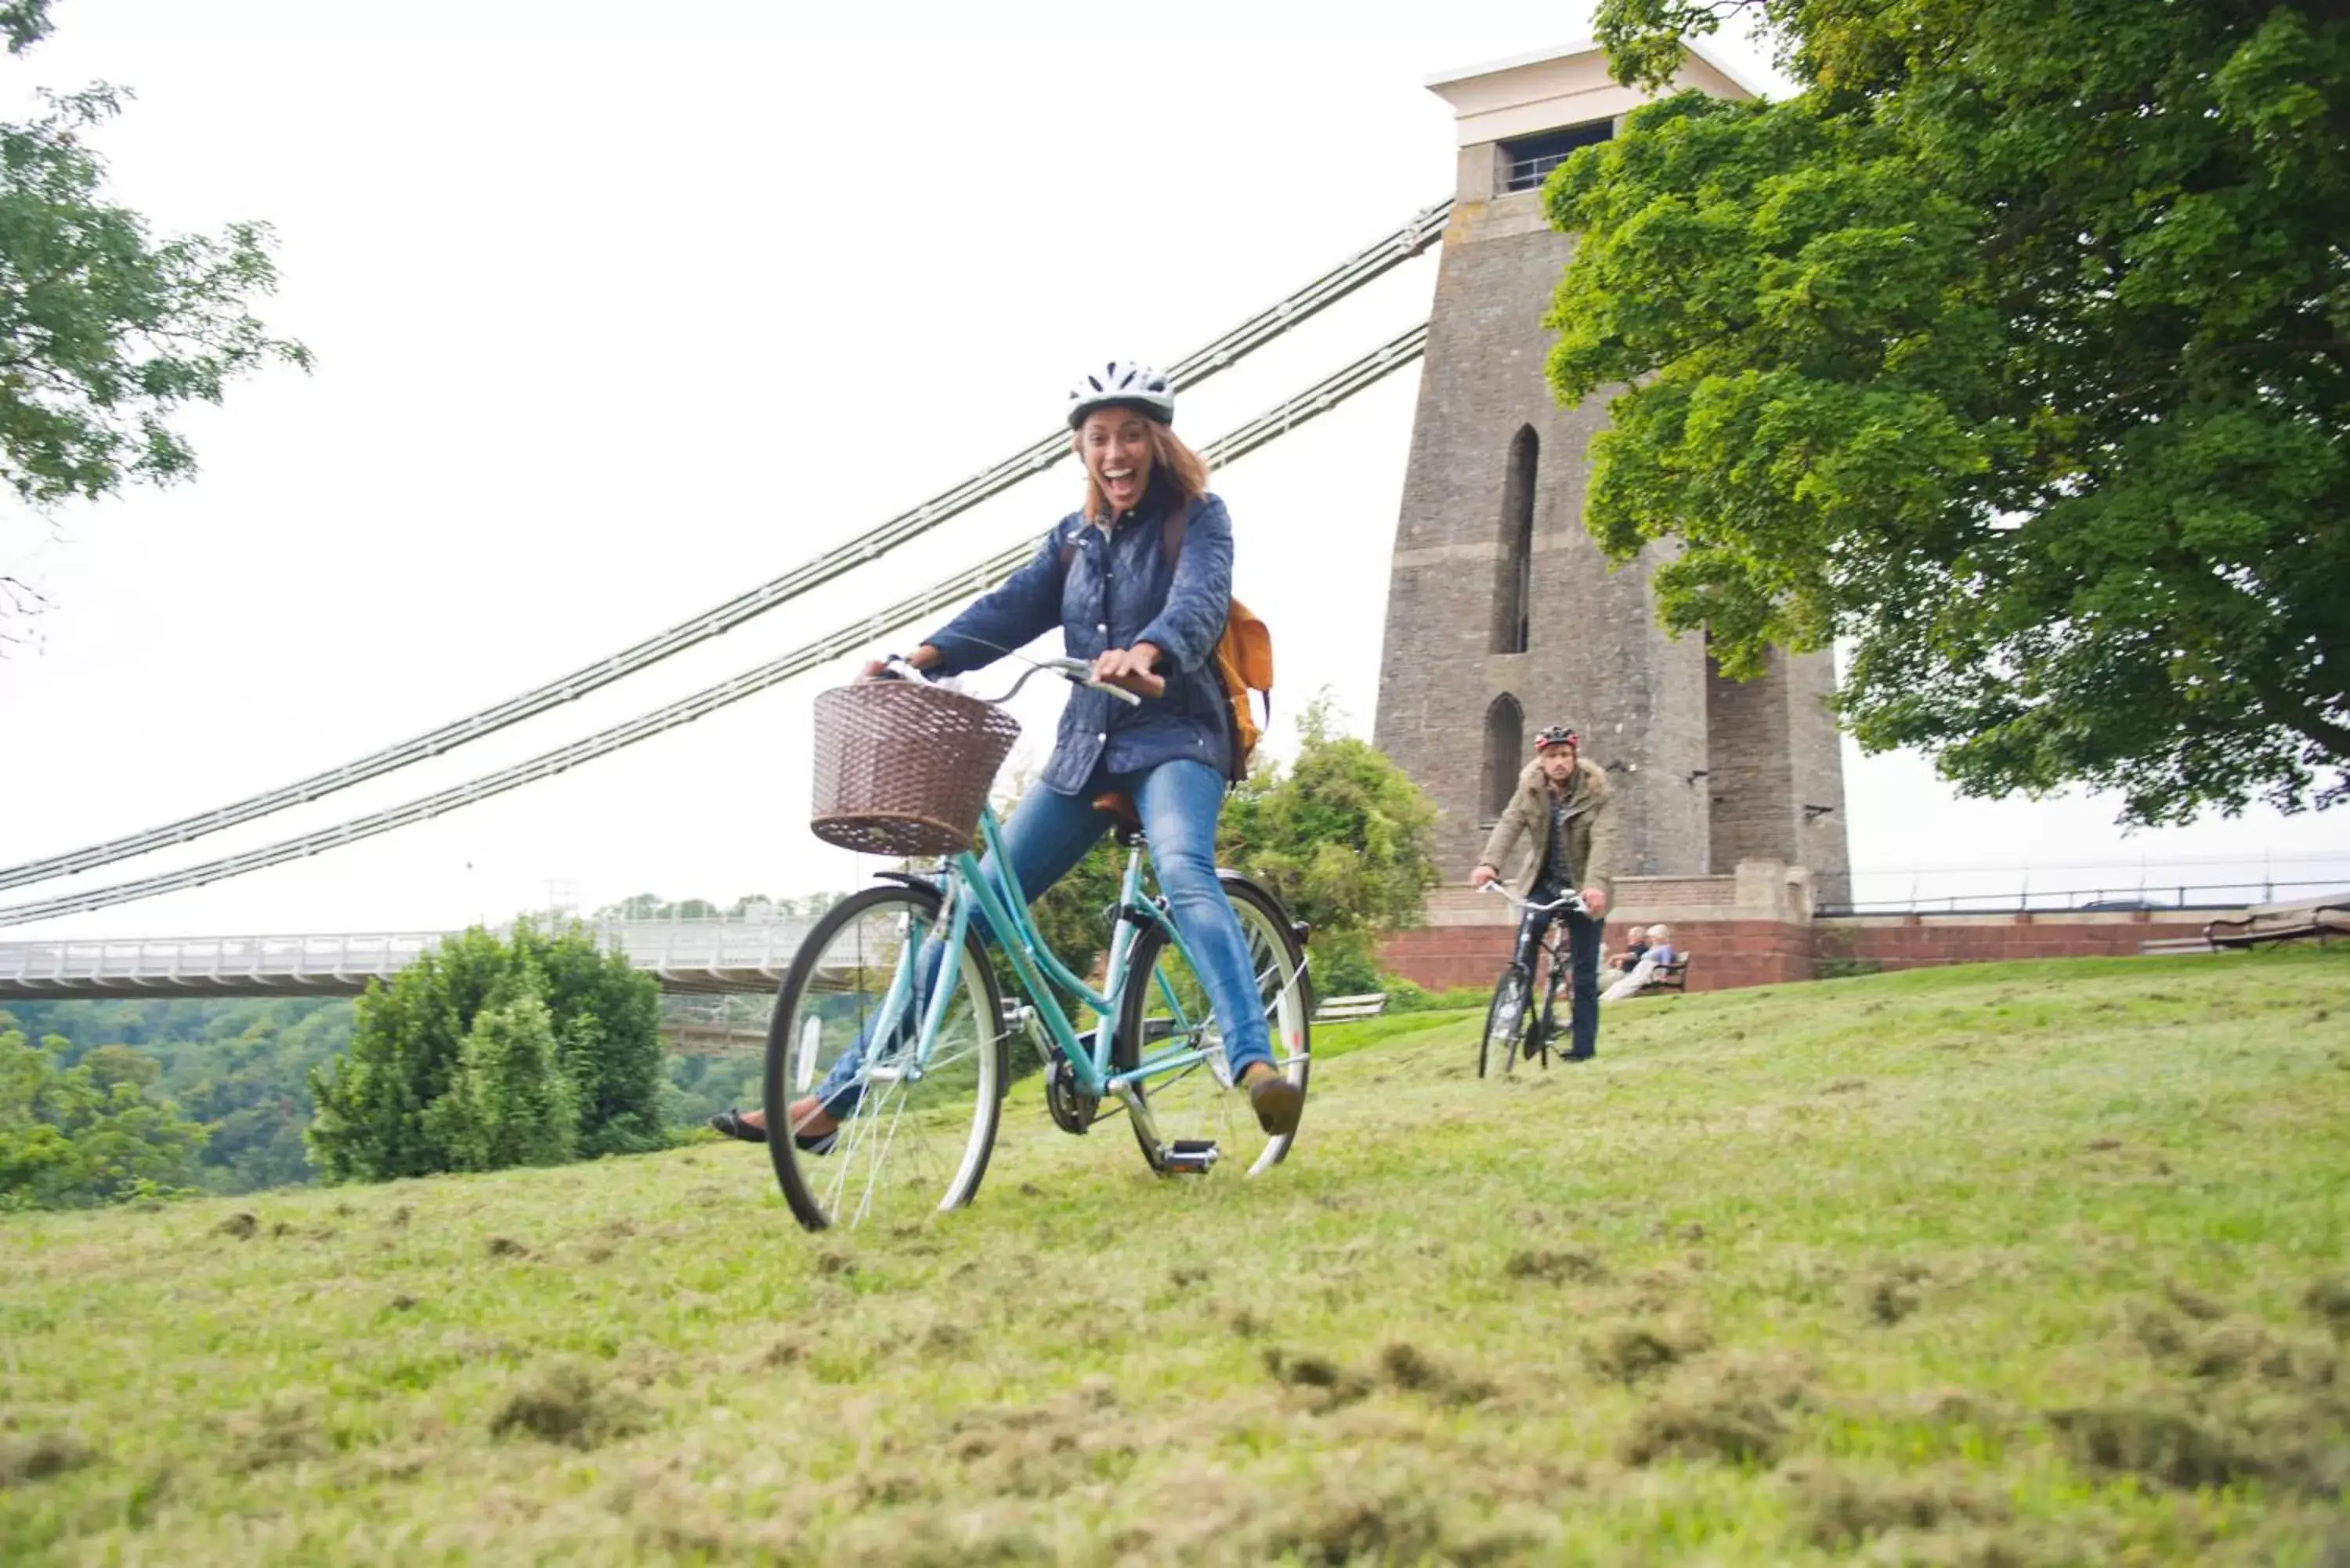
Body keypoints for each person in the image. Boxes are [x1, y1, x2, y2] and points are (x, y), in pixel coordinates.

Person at [713, 360, 1302, 1149]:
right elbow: (1009, 609)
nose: (1116, 453)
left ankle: (1255, 1062)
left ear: (1158, 442)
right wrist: (922, 656)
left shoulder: (1198, 517)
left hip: (1175, 737)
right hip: (1086, 751)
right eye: (1099, 439)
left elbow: (1198, 601)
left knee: (1183, 868)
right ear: (1081, 451)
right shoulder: (1074, 540)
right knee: (970, 911)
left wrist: (1151, 649)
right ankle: (831, 1105)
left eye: (1131, 435)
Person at [1467, 724, 1618, 1061]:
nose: (1559, 762)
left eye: (1565, 755)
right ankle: (1514, 1010)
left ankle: (1582, 1049)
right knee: (1527, 939)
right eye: (1552, 756)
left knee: (1582, 972)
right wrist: (1489, 863)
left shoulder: (1597, 793)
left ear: (1575, 757)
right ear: (1542, 761)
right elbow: (1508, 824)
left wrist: (1595, 886)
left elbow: (1605, 841)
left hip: (1583, 886)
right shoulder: (1530, 789)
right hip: (1543, 882)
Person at [1603, 921, 1678, 1003]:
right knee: (1619, 984)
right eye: (1651, 937)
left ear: (1660, 937)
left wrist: (1661, 976)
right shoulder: (1654, 948)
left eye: (1654, 937)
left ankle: (1610, 999)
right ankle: (1604, 998)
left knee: (1627, 985)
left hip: (1647, 972)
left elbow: (1665, 964)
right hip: (1639, 971)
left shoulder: (1665, 949)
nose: (1652, 939)